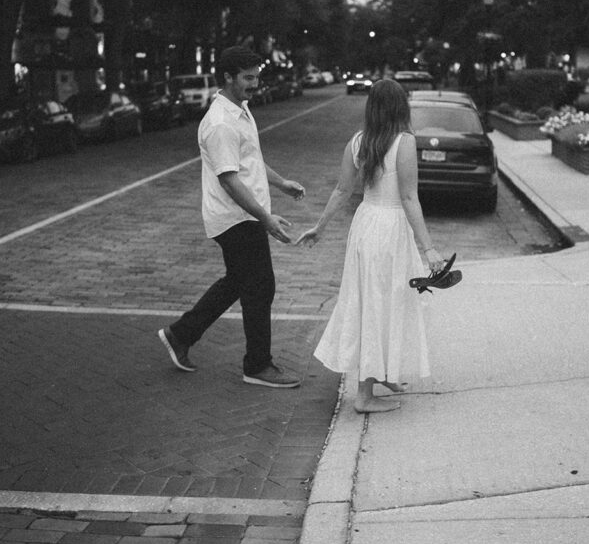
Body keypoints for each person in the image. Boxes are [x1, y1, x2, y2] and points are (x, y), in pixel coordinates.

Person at [158, 46, 305, 388]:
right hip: (236, 218)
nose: (255, 84)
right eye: (248, 78)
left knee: (239, 282)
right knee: (260, 286)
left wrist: (281, 183)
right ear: (228, 77)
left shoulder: (240, 110)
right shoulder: (221, 123)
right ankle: (257, 365)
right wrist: (265, 218)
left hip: (243, 216)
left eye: (257, 76)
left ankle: (181, 334)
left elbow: (249, 161)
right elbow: (229, 178)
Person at [296, 78, 445, 413]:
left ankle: (384, 373)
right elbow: (408, 197)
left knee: (372, 300)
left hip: (365, 225)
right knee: (383, 303)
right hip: (390, 228)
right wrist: (429, 249)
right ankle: (364, 395)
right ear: (400, 107)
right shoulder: (404, 142)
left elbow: (341, 190)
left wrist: (320, 227)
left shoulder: (358, 141)